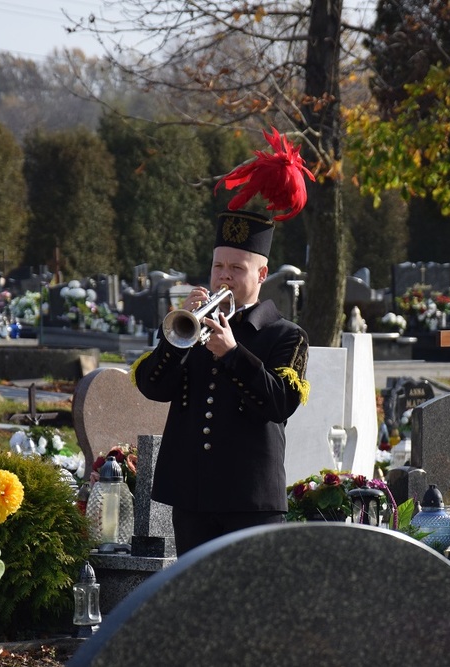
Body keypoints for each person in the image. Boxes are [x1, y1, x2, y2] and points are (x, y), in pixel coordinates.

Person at [131, 128, 313, 556]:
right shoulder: (189, 329)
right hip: (192, 494)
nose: (224, 277)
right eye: (218, 267)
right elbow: (153, 387)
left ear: (262, 275)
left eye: (236, 268)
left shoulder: (286, 335)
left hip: (251, 499)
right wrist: (175, 340)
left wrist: (234, 354)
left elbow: (279, 404)